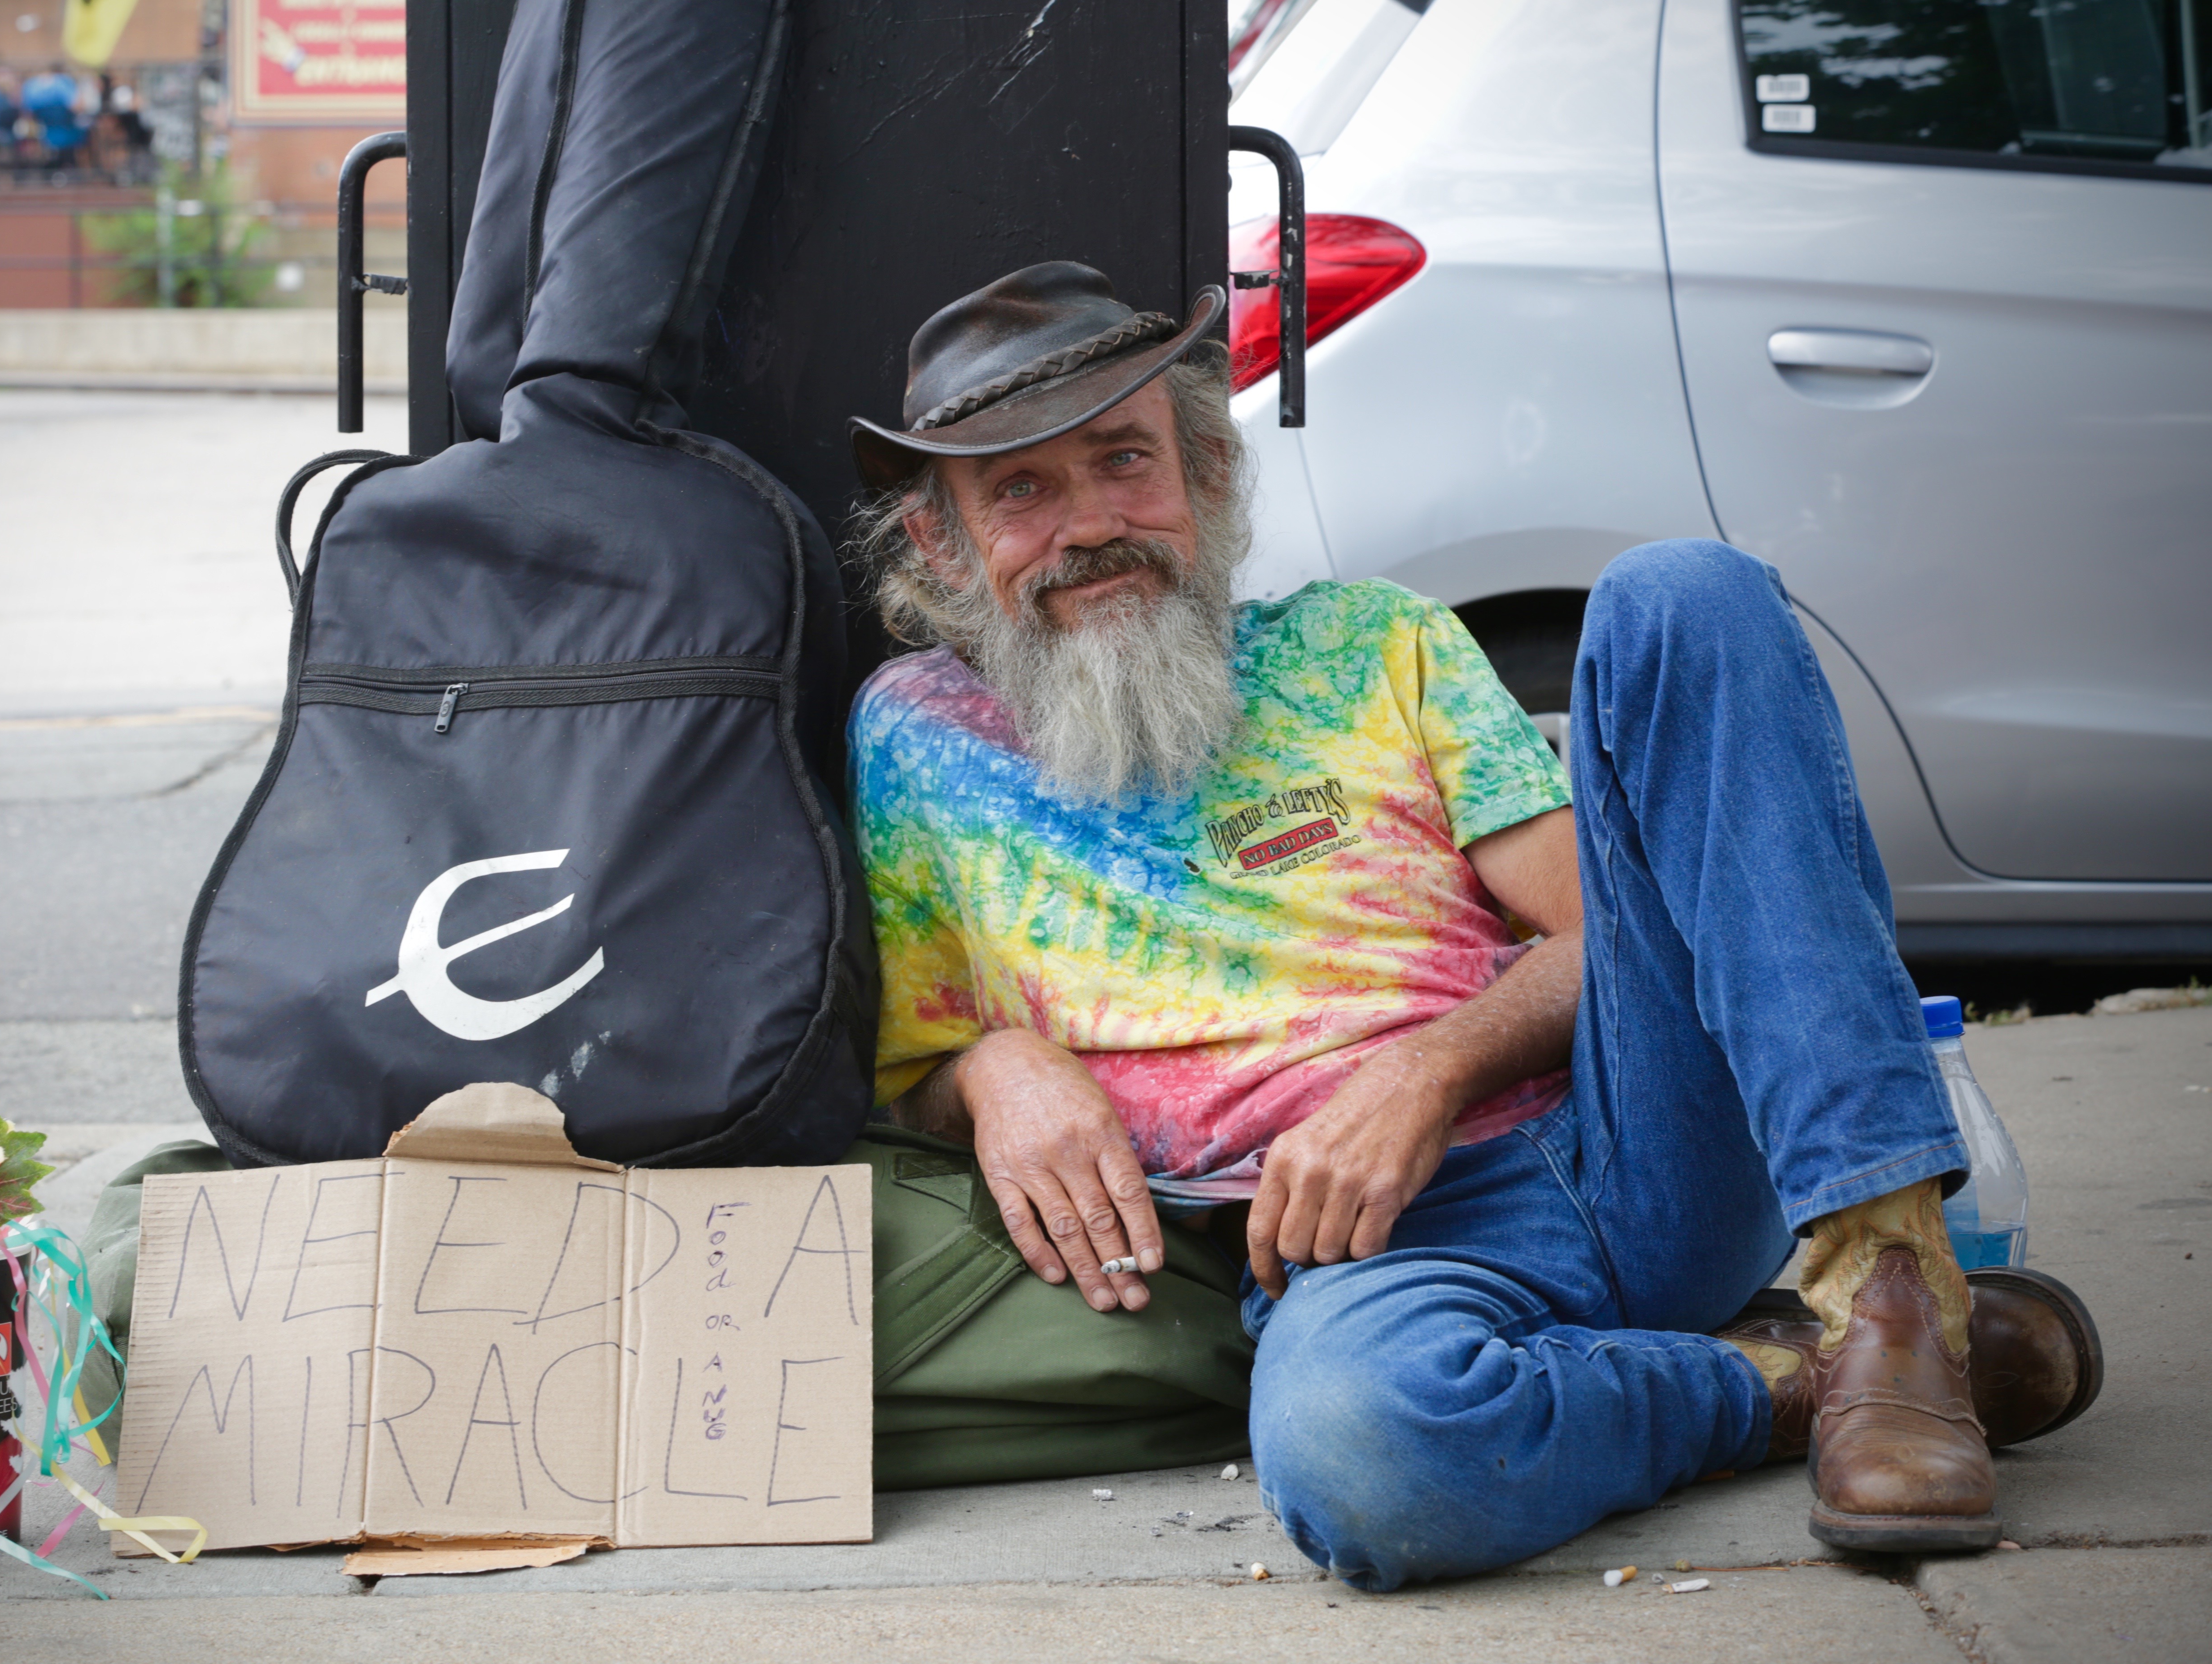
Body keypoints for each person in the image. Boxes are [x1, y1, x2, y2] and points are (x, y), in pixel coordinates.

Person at [842, 261, 2103, 1590]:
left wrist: (1431, 1067)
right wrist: (991, 1070)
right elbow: (914, 1072)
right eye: (1023, 489)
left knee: (1689, 590)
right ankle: (1799, 1380)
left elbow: (1594, 936)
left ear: (1205, 473)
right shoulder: (919, 744)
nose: (1093, 521)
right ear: (942, 546)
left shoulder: (1372, 640)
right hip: (1367, 1258)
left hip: (1638, 1140)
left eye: (1124, 460)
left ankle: (1893, 1289)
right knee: (1356, 1450)